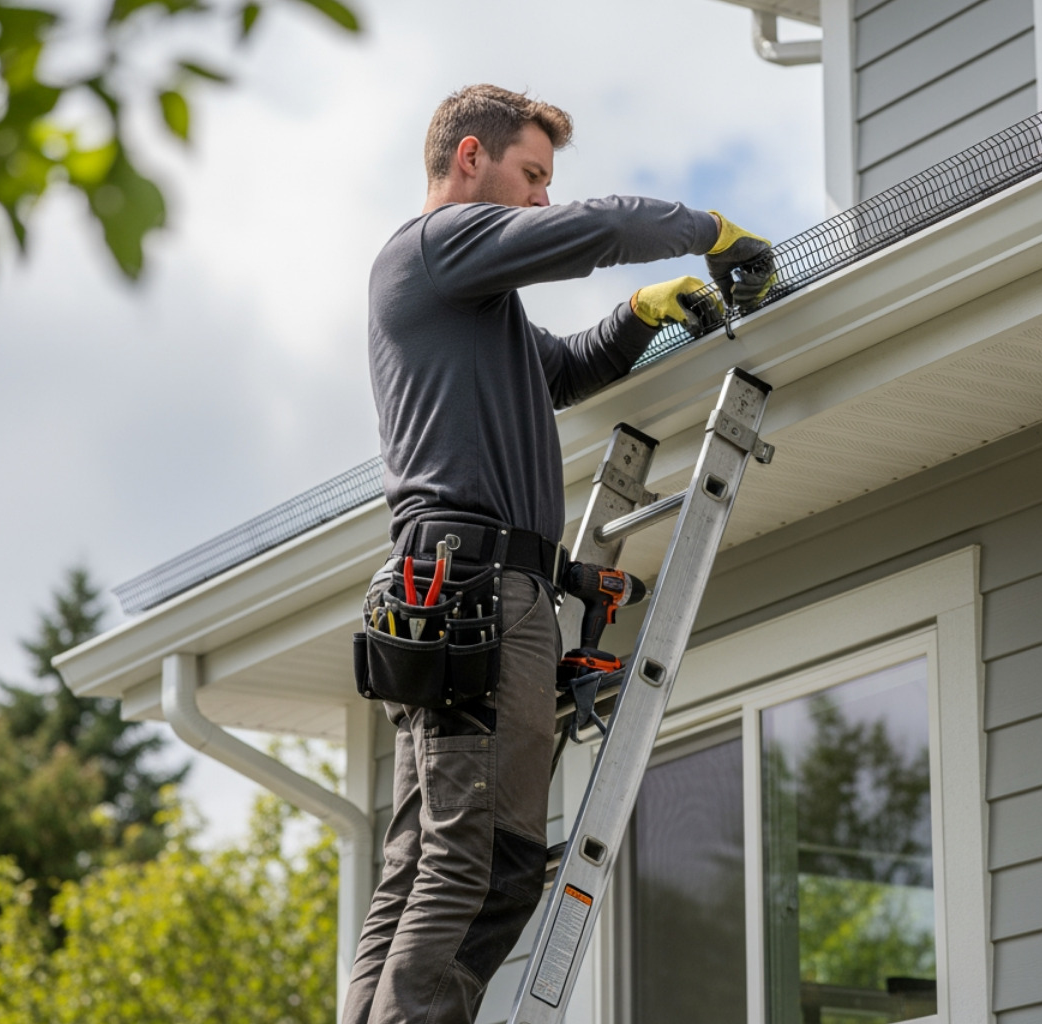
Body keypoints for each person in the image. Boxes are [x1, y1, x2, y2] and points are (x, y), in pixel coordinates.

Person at [344, 84, 774, 1024]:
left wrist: (643, 312)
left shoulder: (464, 303)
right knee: (487, 865)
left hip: (446, 588)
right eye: (531, 175)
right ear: (468, 158)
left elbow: (564, 372)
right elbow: (593, 227)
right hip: (478, 591)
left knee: (419, 863)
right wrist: (711, 229)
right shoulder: (437, 246)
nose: (541, 198)